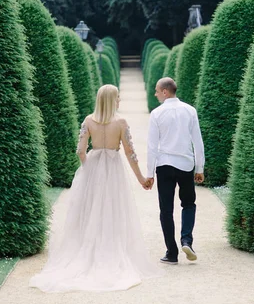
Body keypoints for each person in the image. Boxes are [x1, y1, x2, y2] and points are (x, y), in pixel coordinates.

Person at [30, 84, 160, 292]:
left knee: (90, 211)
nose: (119, 101)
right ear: (112, 100)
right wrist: (141, 179)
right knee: (114, 209)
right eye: (117, 97)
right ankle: (111, 250)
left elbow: (81, 151)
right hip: (114, 169)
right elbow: (130, 153)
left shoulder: (89, 121)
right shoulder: (121, 122)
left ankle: (89, 248)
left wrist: (88, 169)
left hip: (94, 167)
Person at [145, 77, 205, 264]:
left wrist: (149, 173)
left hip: (164, 165)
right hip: (186, 164)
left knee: (166, 210)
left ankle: (171, 252)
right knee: (188, 204)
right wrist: (200, 167)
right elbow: (198, 141)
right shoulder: (190, 110)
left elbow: (152, 146)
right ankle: (186, 239)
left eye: (156, 90)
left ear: (165, 92)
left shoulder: (156, 113)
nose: (155, 94)